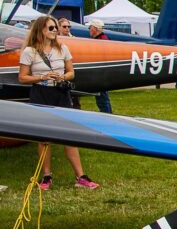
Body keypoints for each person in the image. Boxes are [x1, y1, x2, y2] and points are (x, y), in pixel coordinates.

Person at [18, 17, 100, 190]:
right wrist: (42, 77)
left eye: (56, 27)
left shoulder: (62, 48)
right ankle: (46, 176)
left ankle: (81, 177)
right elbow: (22, 77)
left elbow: (71, 72)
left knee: (68, 135)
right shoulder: (29, 51)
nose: (55, 30)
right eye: (51, 27)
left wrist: (62, 77)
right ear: (41, 30)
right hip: (40, 93)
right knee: (43, 138)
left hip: (60, 93)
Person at [87, 19, 113, 113]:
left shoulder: (102, 40)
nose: (89, 29)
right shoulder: (102, 38)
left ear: (95, 29)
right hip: (101, 73)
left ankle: (107, 115)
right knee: (101, 97)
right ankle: (107, 114)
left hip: (101, 74)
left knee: (102, 97)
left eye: (90, 27)